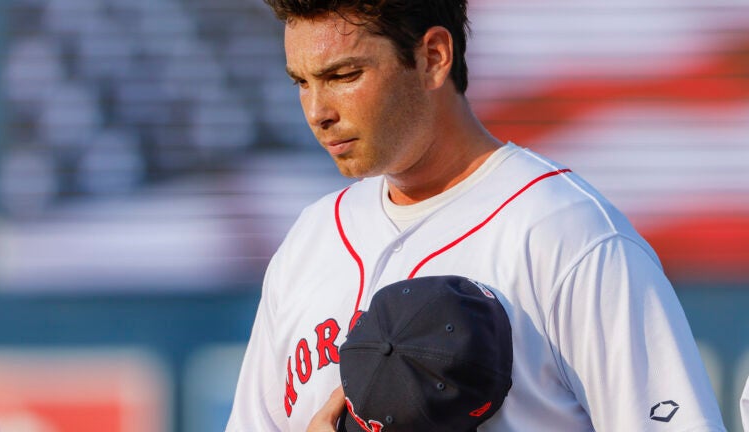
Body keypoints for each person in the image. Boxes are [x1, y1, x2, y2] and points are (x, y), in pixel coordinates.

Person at [225, 1, 726, 431]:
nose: (317, 110)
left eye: (343, 75)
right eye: (302, 82)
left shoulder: (564, 232)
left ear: (433, 57)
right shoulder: (310, 241)